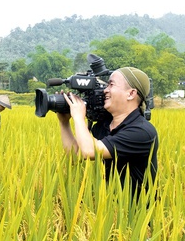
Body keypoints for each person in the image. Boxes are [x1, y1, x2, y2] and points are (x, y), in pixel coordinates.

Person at [57, 67, 158, 200]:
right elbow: (77, 156)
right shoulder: (103, 127)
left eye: (111, 85)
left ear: (131, 94)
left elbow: (89, 151)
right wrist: (64, 123)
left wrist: (78, 116)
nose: (105, 90)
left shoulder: (142, 132)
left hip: (139, 216)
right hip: (111, 211)